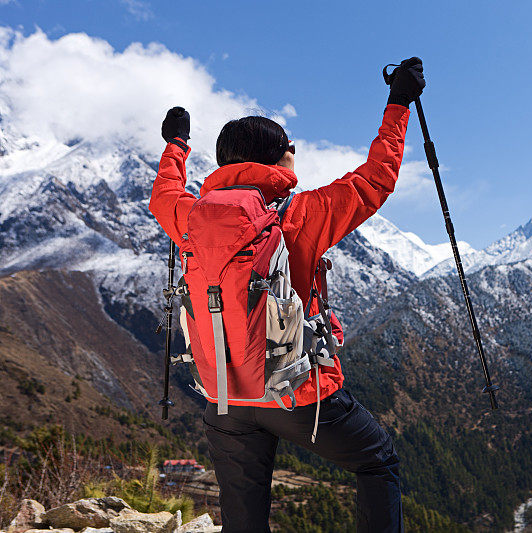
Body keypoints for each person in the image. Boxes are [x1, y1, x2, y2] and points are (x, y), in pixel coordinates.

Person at [149, 57, 425, 532]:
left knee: (244, 514)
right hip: (296, 393)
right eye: (290, 147)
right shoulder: (301, 215)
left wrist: (176, 145)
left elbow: (163, 193)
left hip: (225, 396)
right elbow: (376, 178)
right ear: (276, 160)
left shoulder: (190, 218)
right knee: (377, 460)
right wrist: (398, 102)